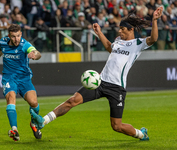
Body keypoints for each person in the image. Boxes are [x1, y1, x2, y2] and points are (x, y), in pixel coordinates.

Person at [30, 6, 164, 141]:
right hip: (99, 82)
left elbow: (153, 38)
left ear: (131, 29)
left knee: (116, 126)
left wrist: (155, 20)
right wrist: (99, 32)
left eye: (122, 29)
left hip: (116, 88)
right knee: (72, 100)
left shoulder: (137, 44)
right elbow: (109, 47)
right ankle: (43, 121)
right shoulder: (118, 41)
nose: (119, 31)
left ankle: (141, 134)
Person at [0, 24, 42, 141]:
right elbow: (0, 49)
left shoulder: (25, 45)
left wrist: (34, 55)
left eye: (18, 36)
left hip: (24, 78)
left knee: (34, 103)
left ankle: (33, 124)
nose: (16, 39)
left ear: (21, 34)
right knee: (11, 98)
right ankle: (14, 129)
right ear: (9, 36)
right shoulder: (3, 42)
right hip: (9, 78)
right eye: (13, 36)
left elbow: (37, 53)